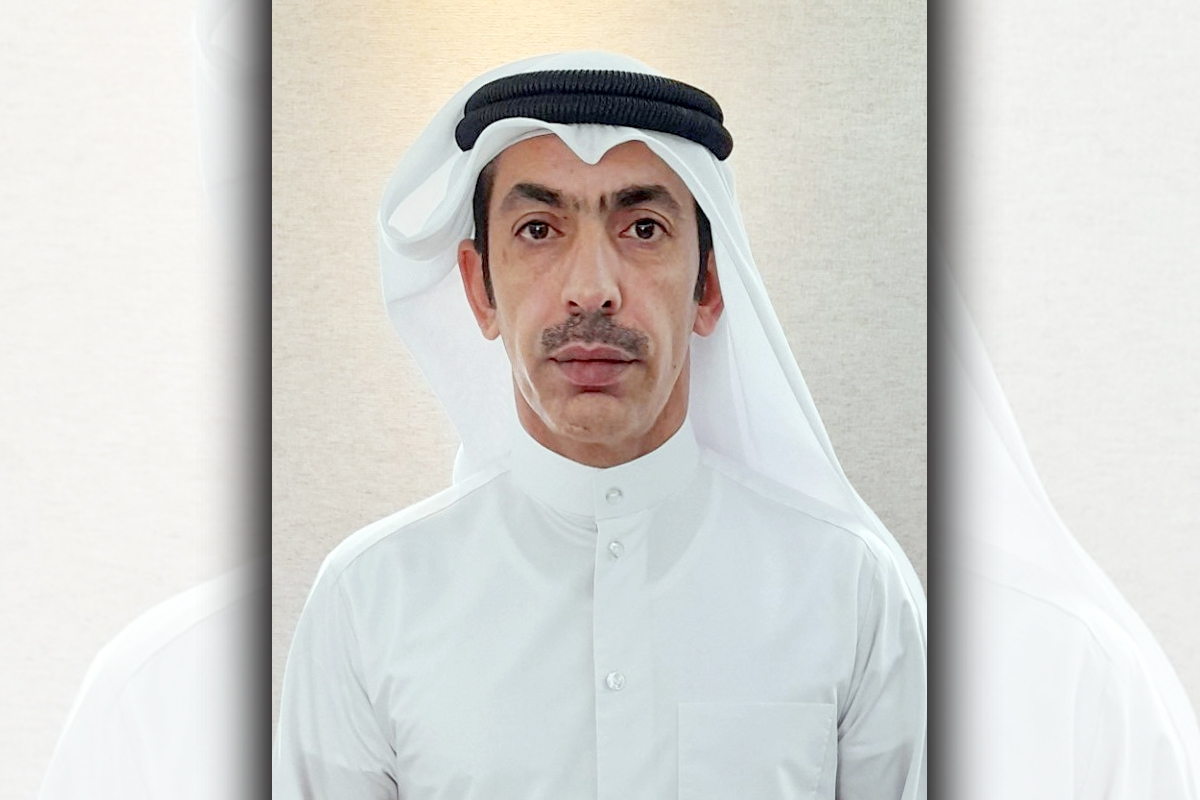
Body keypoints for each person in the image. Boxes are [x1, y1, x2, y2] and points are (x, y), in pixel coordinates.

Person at [274, 51, 926, 800]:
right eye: (539, 229)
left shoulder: (848, 590)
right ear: (480, 291)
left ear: (710, 287)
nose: (591, 290)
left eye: (643, 228)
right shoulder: (368, 601)